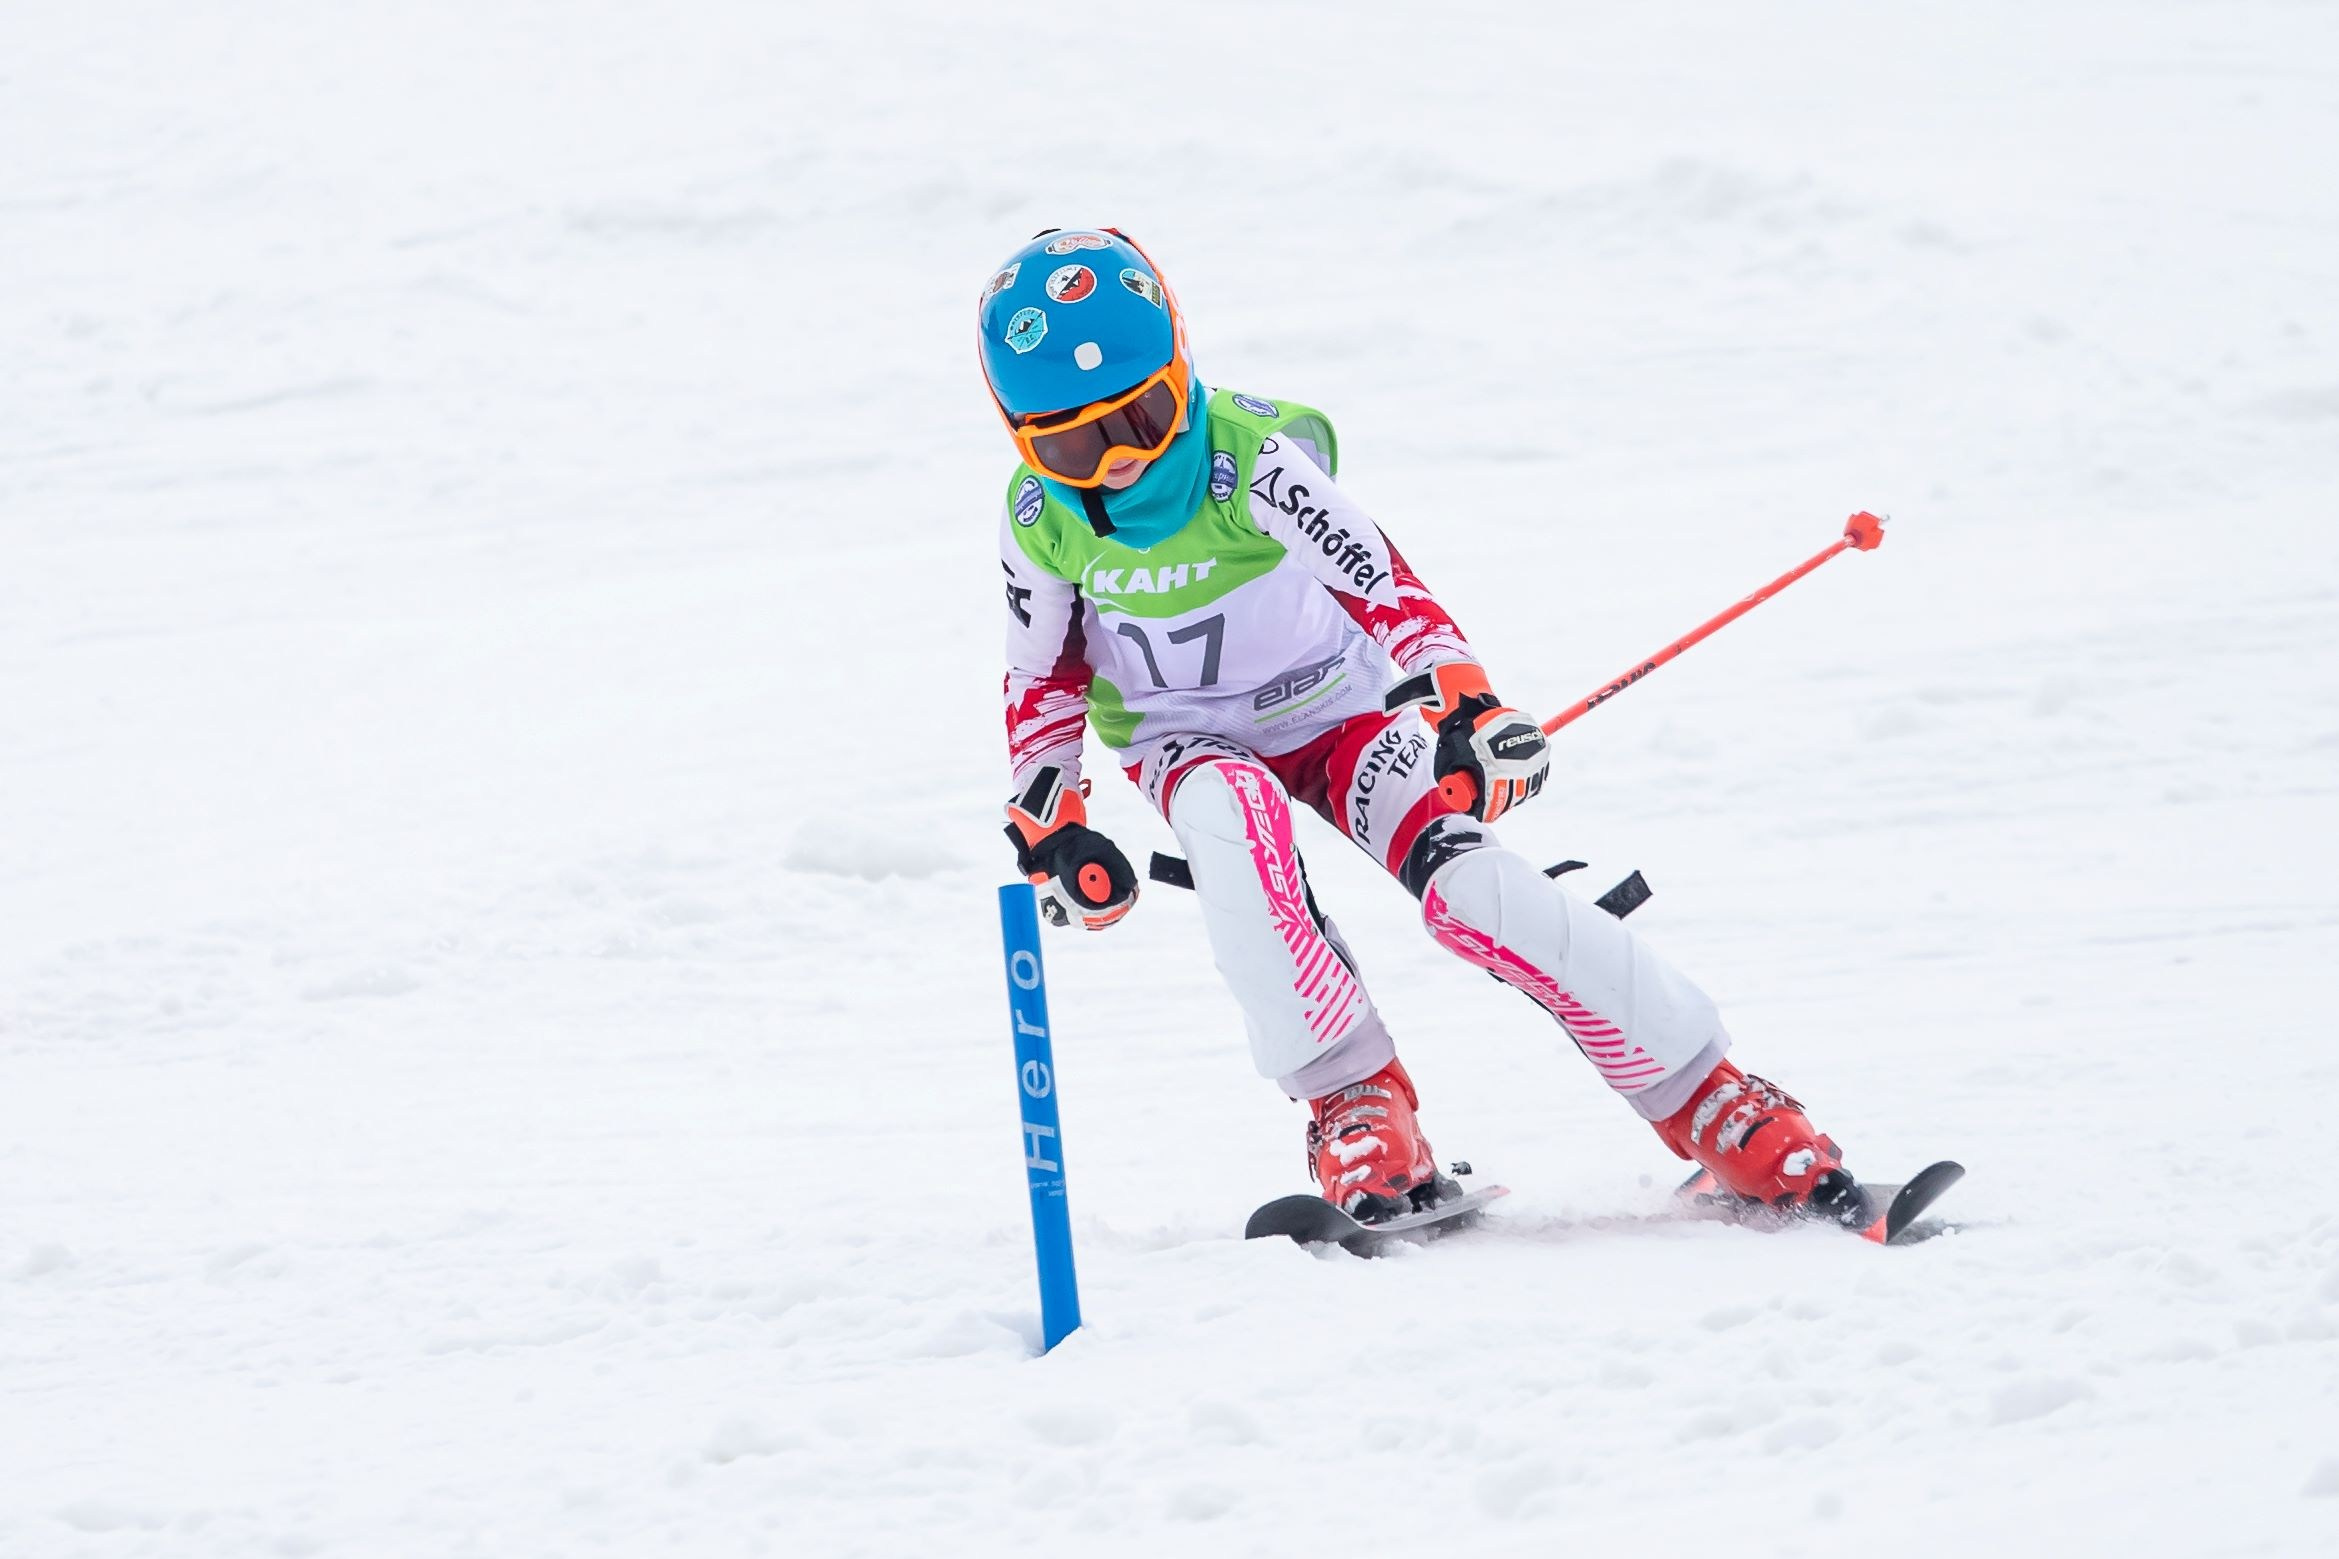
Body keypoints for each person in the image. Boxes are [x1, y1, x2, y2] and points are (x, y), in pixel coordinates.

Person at [983, 227, 1853, 1224]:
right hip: (1181, 733)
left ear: (1184, 365)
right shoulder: (1037, 517)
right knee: (1229, 818)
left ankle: (1709, 1095)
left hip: (1336, 709)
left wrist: (1463, 698)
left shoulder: (1246, 462)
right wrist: (1050, 809)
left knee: (1474, 888)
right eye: (1072, 444)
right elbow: (1040, 674)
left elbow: (1378, 578)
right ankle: (1351, 1099)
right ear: (1022, 437)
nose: (1122, 465)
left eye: (1145, 415)